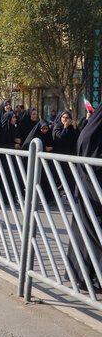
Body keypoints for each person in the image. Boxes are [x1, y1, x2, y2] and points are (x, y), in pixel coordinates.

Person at [66, 106, 102, 292]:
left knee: (84, 228)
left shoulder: (92, 128)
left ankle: (81, 276)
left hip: (87, 183)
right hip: (92, 184)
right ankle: (91, 278)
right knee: (93, 228)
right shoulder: (93, 133)